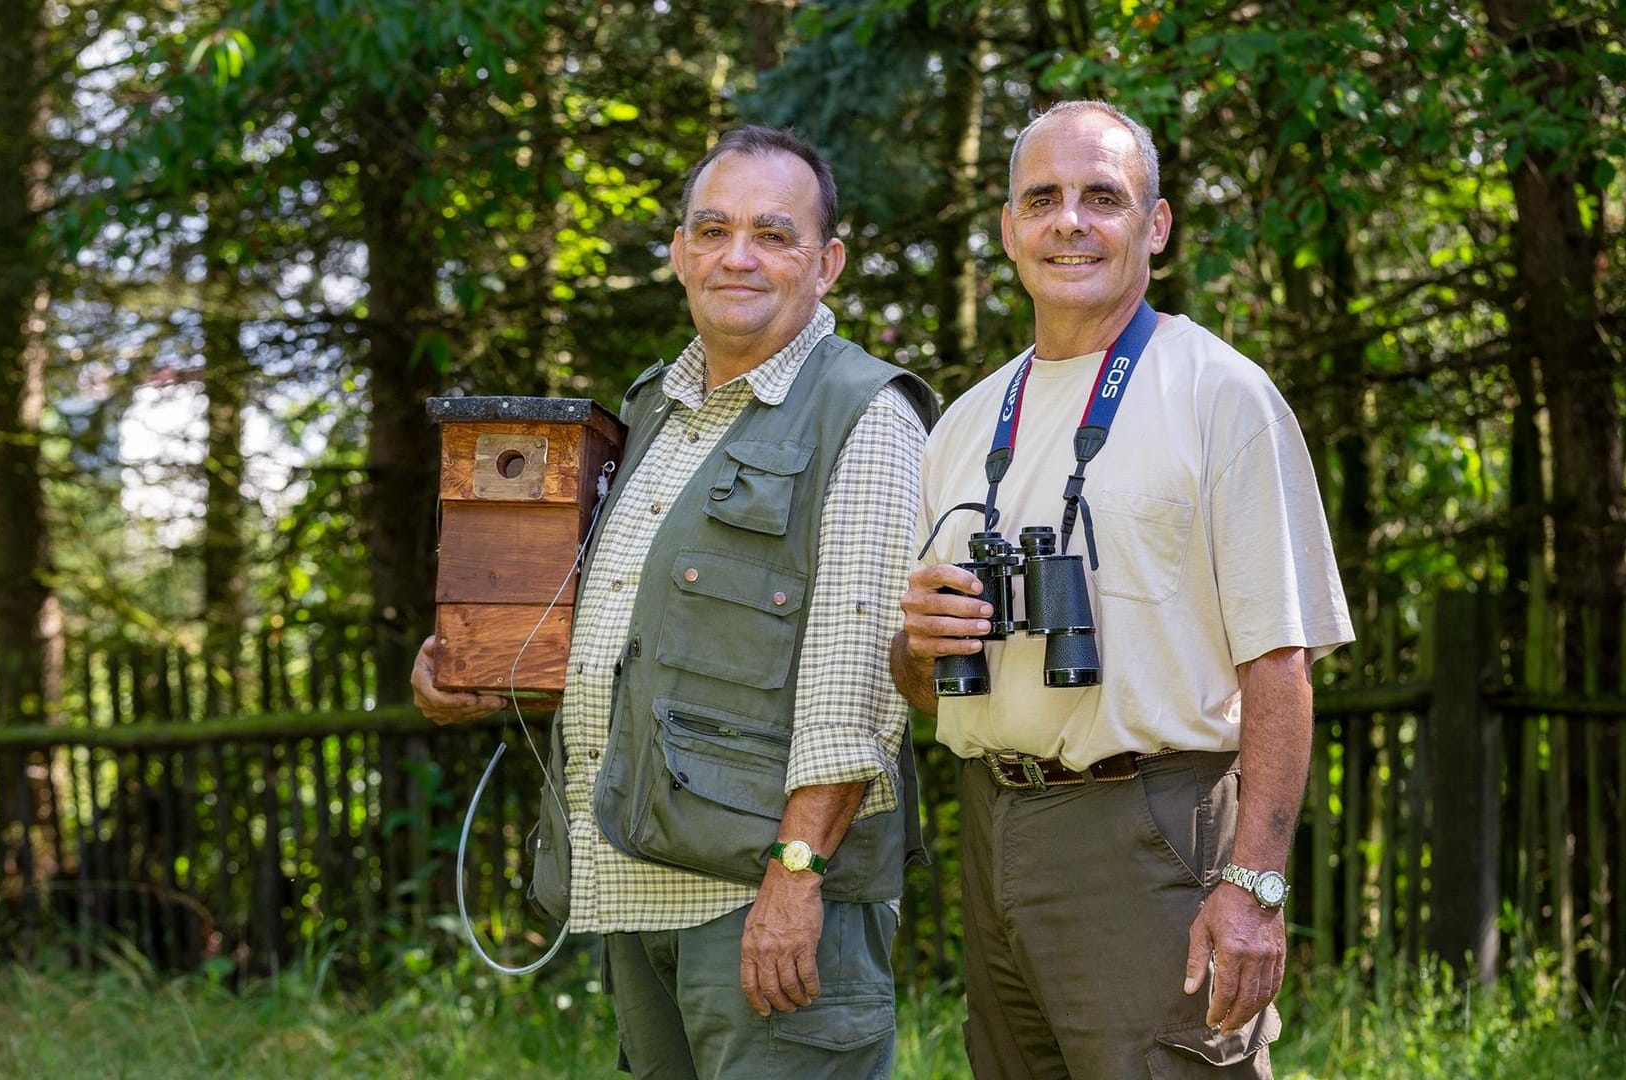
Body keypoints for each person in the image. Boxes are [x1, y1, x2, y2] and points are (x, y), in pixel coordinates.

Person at [413, 126, 937, 1079]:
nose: (737, 255)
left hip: (761, 903)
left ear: (828, 264)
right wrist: (486, 674)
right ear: (678, 253)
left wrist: (797, 875)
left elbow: (857, 679)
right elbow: (633, 643)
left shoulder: (865, 412)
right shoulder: (651, 406)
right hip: (628, 887)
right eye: (713, 228)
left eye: (773, 235)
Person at [892, 100, 1354, 1078]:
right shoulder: (967, 422)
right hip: (993, 816)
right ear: (1010, 227)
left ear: (1155, 225)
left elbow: (1281, 663)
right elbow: (924, 688)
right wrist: (916, 645)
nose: (1071, 221)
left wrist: (1255, 887)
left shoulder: (1219, 395)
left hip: (1151, 826)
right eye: (1043, 198)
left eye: (1103, 197)